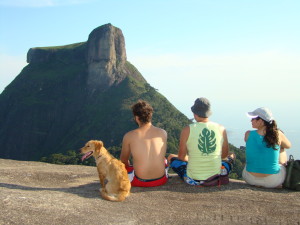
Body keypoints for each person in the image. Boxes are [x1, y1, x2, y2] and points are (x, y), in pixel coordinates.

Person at [168, 97, 235, 186]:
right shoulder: (221, 128)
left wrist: (193, 158)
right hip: (216, 177)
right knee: (231, 157)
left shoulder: (187, 130)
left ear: (194, 113)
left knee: (172, 158)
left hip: (193, 178)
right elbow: (223, 156)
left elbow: (181, 157)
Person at [120, 100, 168, 187]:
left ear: (137, 118)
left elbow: (123, 161)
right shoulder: (163, 133)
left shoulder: (129, 136)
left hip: (140, 181)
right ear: (150, 115)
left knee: (122, 167)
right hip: (161, 180)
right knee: (164, 159)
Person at [242, 107, 292, 188]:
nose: (251, 121)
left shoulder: (248, 134)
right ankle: (277, 181)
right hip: (272, 181)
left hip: (250, 179)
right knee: (282, 148)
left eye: (253, 119)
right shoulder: (277, 134)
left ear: (261, 121)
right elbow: (288, 145)